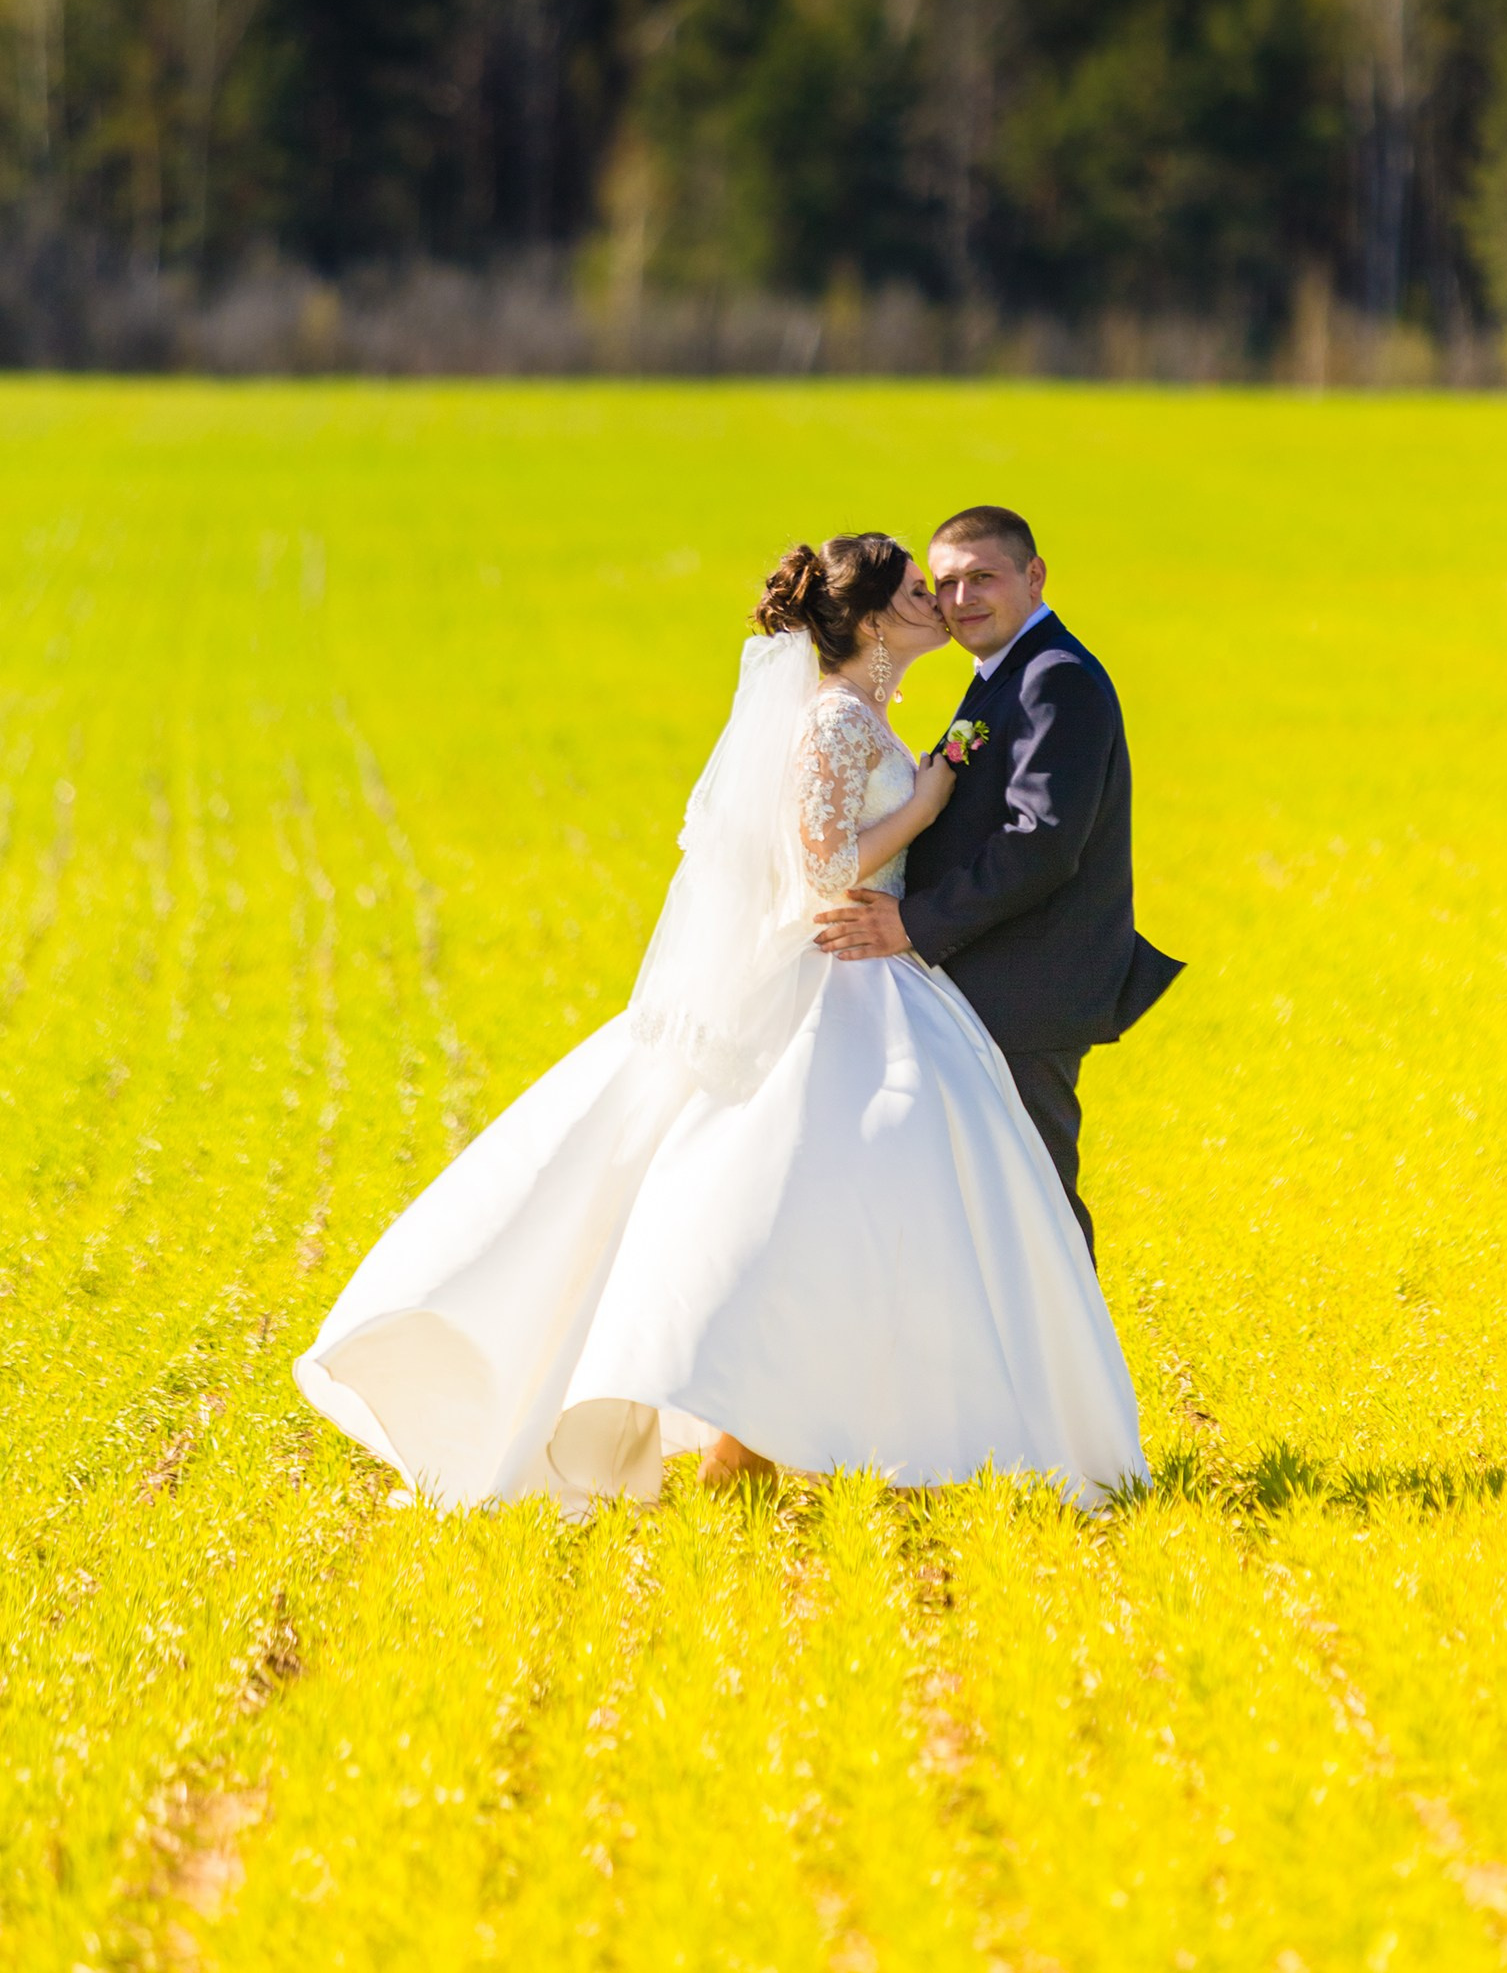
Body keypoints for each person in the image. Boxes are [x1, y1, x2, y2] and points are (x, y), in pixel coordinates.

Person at [295, 533, 1146, 1509]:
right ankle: (763, 1438)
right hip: (839, 980)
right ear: (870, 623)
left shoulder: (866, 711)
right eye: (920, 591)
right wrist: (930, 796)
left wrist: (928, 792)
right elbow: (821, 869)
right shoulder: (832, 718)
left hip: (886, 976)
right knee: (797, 1207)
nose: (940, 604)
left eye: (953, 584)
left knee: (860, 1211)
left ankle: (825, 1433)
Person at [815, 506, 1182, 1260]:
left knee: (1037, 1200)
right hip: (984, 982)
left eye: (982, 577)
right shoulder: (1003, 675)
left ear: (1034, 575)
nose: (959, 599)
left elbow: (1040, 844)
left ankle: (1073, 1375)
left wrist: (910, 923)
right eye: (945, 583)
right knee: (993, 1203)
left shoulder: (1056, 679)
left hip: (1028, 988)